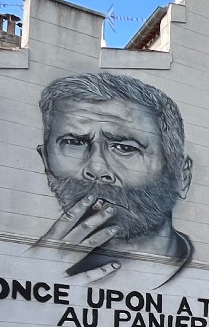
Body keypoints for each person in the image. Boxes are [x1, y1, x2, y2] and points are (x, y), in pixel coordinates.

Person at [35, 73, 194, 286]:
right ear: (46, 160)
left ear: (182, 177)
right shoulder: (25, 273)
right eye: (74, 142)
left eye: (126, 148)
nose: (97, 169)